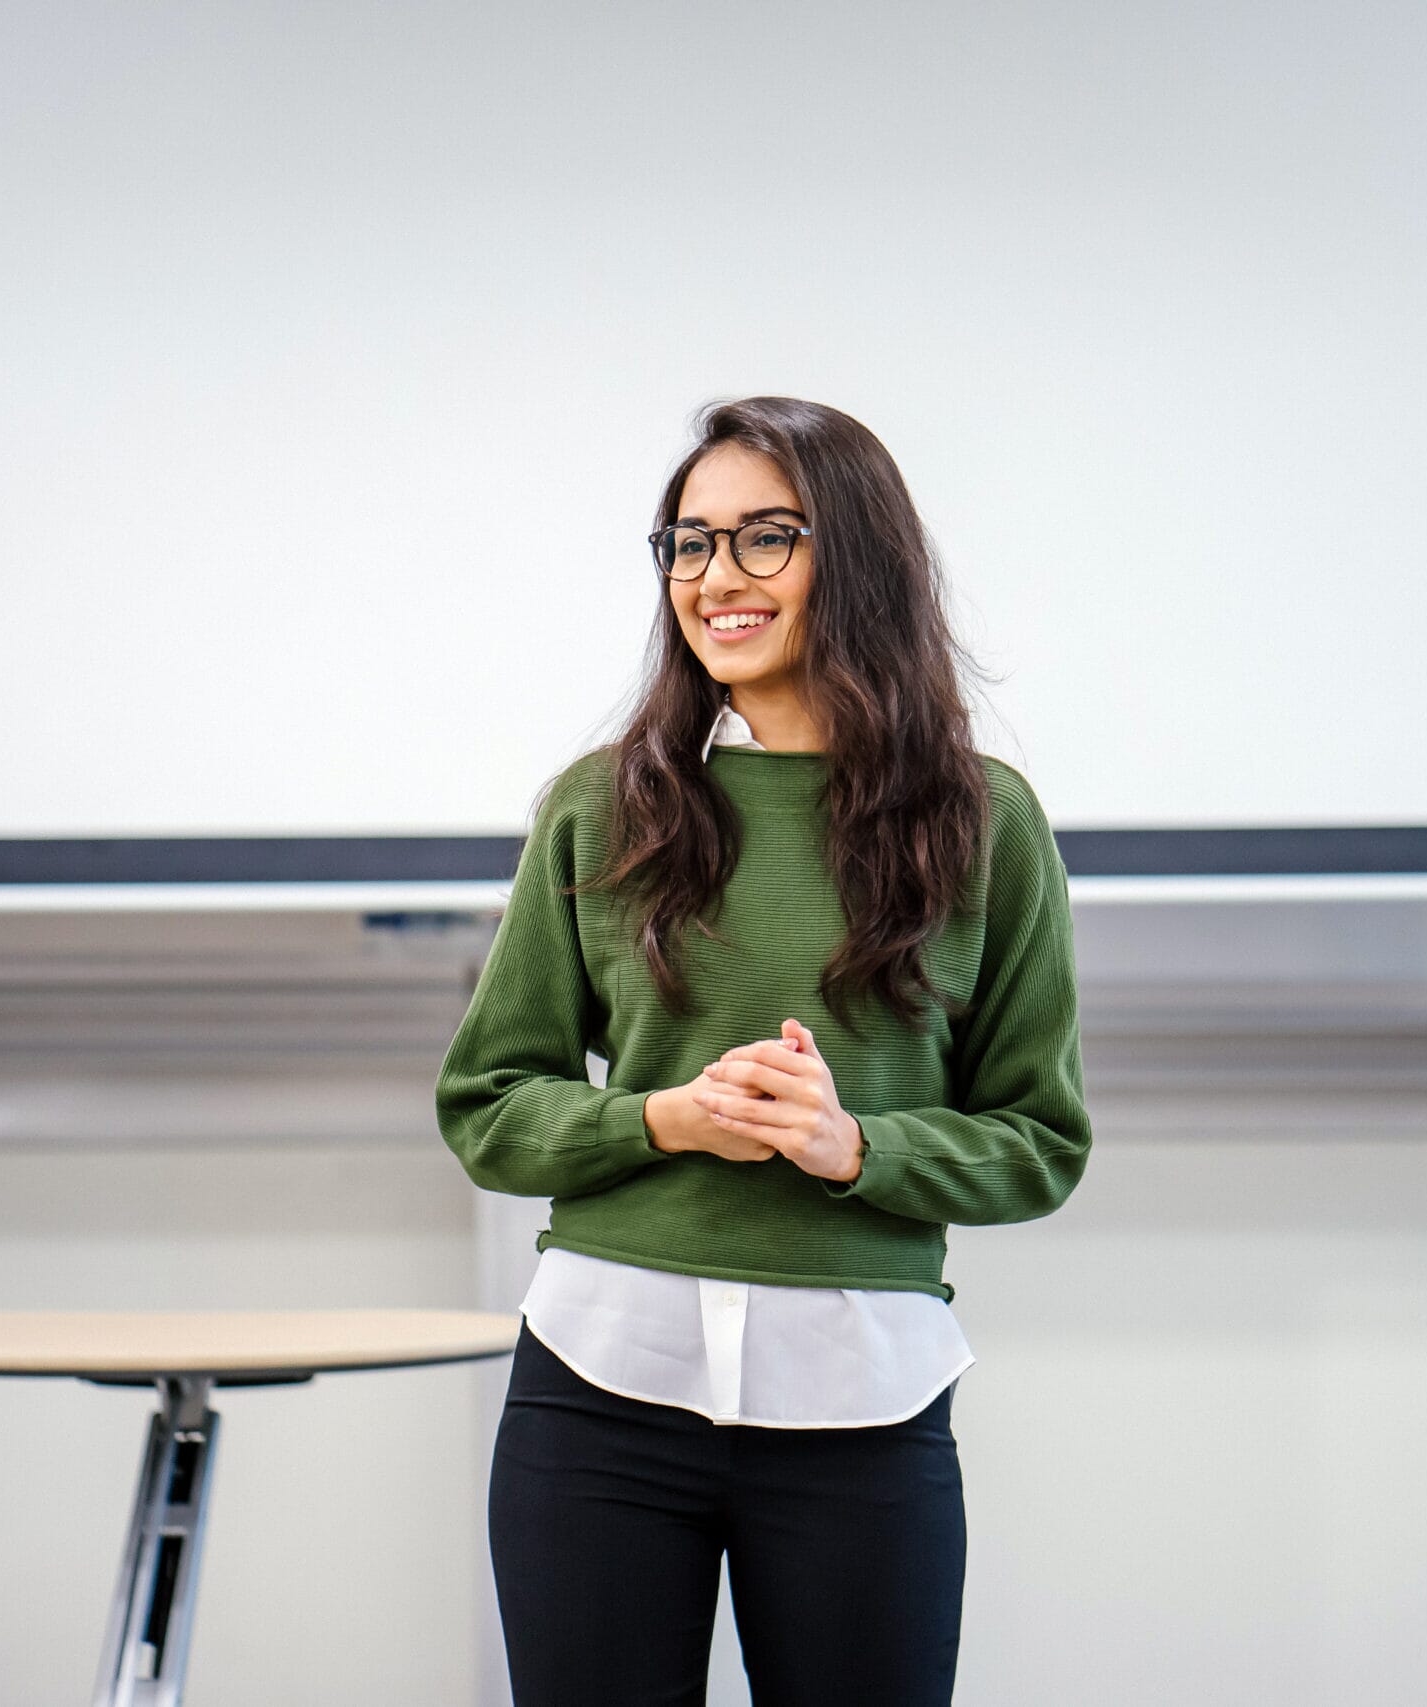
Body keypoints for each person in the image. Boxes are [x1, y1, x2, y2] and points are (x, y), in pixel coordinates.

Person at [436, 395, 1091, 1707]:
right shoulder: (603, 805)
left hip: (863, 1407)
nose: (714, 578)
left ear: (859, 558)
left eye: (764, 538)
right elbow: (487, 1106)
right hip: (597, 1390)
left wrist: (855, 1149)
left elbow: (1039, 1144)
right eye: (689, 543)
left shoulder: (984, 822)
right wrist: (660, 1119)